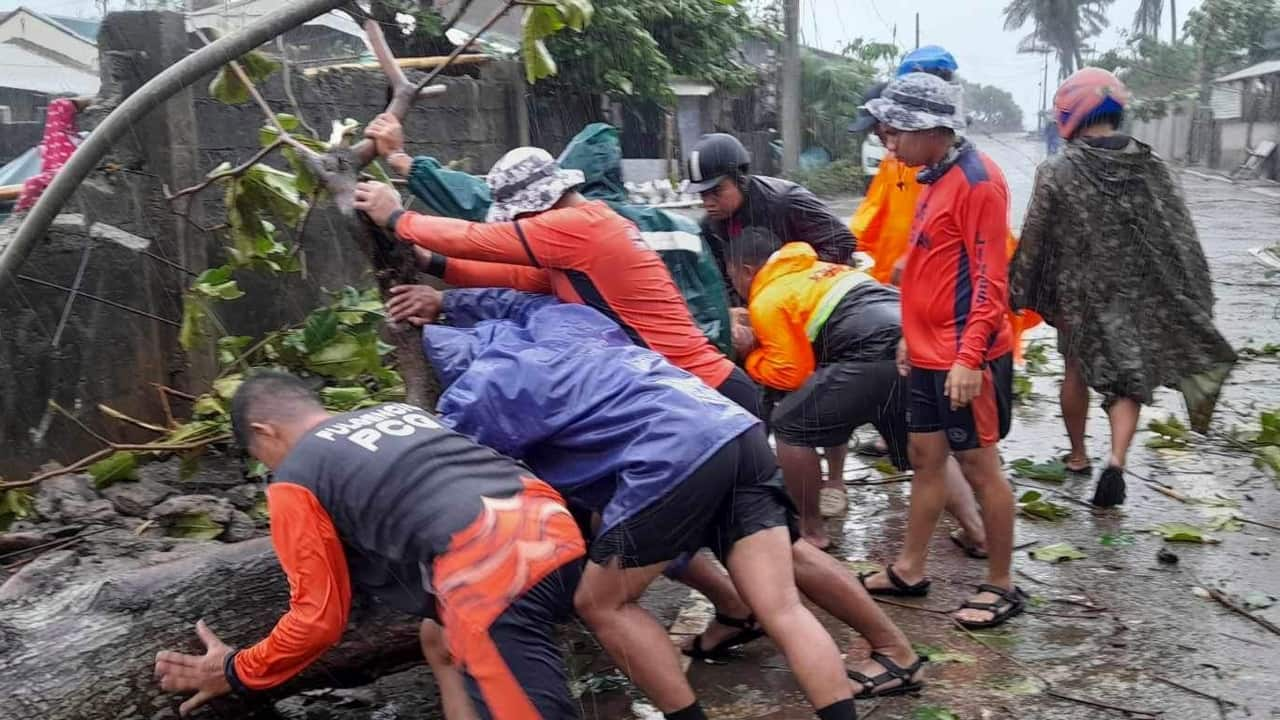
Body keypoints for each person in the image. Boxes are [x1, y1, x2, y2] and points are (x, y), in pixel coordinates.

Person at [415, 288, 877, 719]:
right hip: (729, 428)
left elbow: (445, 468)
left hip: (668, 459)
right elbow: (520, 302)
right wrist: (449, 300)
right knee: (781, 608)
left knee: (602, 604)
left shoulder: (478, 393)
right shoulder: (564, 322)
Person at [153, 372, 587, 719]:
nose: (268, 466)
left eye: (260, 456)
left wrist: (237, 669)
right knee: (438, 636)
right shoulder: (401, 413)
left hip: (489, 570)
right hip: (558, 531)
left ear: (263, 432)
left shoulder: (295, 477)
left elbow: (318, 620)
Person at [1010, 68, 1236, 507]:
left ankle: (1077, 456)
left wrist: (1017, 287)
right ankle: (1116, 460)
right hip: (1138, 291)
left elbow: (1035, 235)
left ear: (1072, 113)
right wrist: (1192, 289)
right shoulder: (1153, 167)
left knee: (1075, 368)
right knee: (1126, 380)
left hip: (1079, 293)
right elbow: (1179, 233)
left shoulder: (1058, 169)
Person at [854, 72, 1025, 629]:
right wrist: (909, 332)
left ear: (931, 128)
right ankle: (910, 568)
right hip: (929, 352)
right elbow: (927, 267)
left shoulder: (980, 182)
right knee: (926, 460)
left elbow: (988, 280)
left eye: (896, 128)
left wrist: (970, 357)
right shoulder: (932, 177)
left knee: (980, 467)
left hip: (962, 358)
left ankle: (1001, 584)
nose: (886, 137)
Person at [724, 228, 985, 556]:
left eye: (731, 276)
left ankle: (811, 532)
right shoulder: (824, 269)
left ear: (746, 270)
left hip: (873, 353)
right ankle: (977, 532)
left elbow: (789, 374)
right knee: (926, 452)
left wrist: (751, 354)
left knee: (791, 425)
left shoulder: (768, 297)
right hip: (916, 344)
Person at [688, 131, 856, 302]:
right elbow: (720, 278)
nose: (708, 203)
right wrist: (734, 308)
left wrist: (792, 283)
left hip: (820, 298)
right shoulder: (710, 226)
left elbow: (842, 242)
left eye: (716, 191)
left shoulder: (785, 202)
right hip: (766, 307)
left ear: (741, 178)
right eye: (703, 194)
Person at [15, 95, 93, 212]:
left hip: (68, 171)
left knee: (33, 183)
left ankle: (23, 212)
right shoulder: (54, 139)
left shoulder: (82, 137)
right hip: (59, 171)